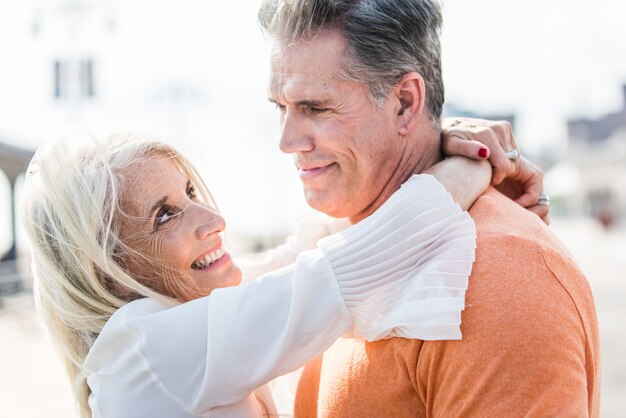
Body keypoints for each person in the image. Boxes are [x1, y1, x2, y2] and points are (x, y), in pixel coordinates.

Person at [21, 131, 523, 418]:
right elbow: (347, 268)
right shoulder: (148, 349)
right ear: (107, 273)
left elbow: (300, 257)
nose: (214, 221)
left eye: (191, 193)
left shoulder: (176, 323)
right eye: (165, 215)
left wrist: (429, 140)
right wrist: (478, 162)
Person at [258, 0, 601, 417]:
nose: (286, 140)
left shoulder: (499, 275)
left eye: (315, 107)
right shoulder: (330, 246)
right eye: (281, 107)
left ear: (405, 102)